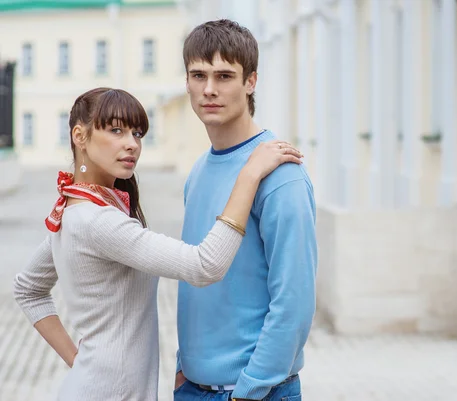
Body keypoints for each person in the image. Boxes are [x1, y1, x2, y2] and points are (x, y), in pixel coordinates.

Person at [12, 87, 302, 401]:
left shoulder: (75, 212)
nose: (131, 144)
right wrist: (249, 174)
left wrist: (82, 364)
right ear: (80, 136)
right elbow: (205, 265)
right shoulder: (99, 222)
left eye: (137, 133)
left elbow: (27, 289)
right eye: (116, 130)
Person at [173, 20, 317, 401]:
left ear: (251, 81)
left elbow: (294, 301)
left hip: (255, 392)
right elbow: (197, 278)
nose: (209, 89)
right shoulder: (199, 171)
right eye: (198, 75)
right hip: (193, 388)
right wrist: (181, 367)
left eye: (224, 76)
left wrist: (249, 390)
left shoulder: (280, 175)